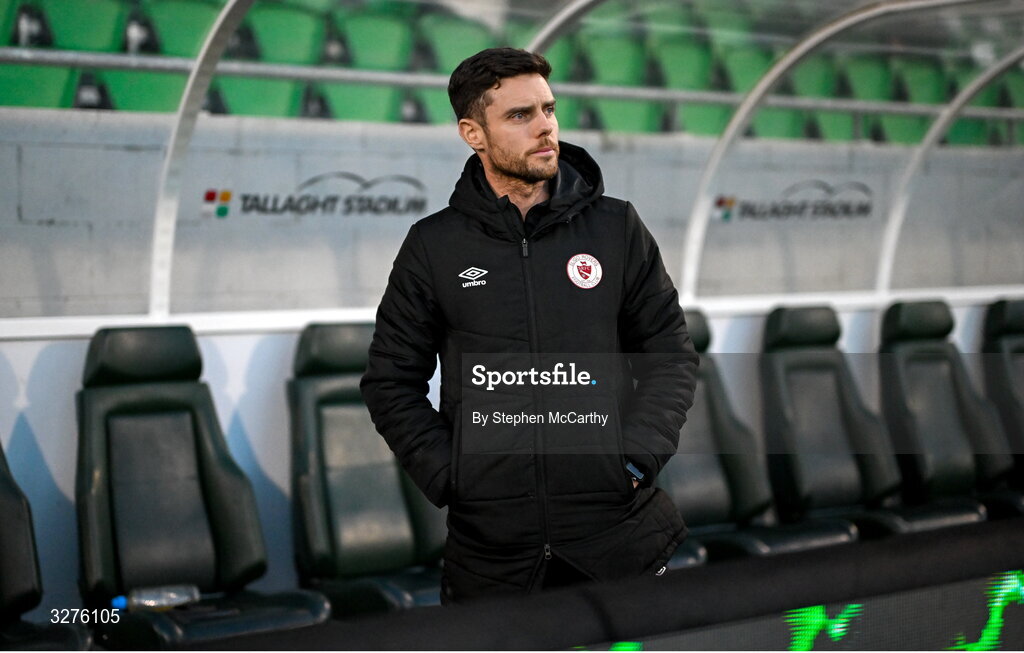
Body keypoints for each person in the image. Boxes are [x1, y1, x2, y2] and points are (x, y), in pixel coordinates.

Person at [361, 47, 698, 604]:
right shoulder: (434, 245)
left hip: (616, 539)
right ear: (473, 132)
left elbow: (669, 354)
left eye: (548, 109)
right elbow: (390, 381)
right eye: (520, 115)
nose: (545, 127)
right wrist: (454, 475)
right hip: (493, 553)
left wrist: (635, 458)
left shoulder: (615, 227)